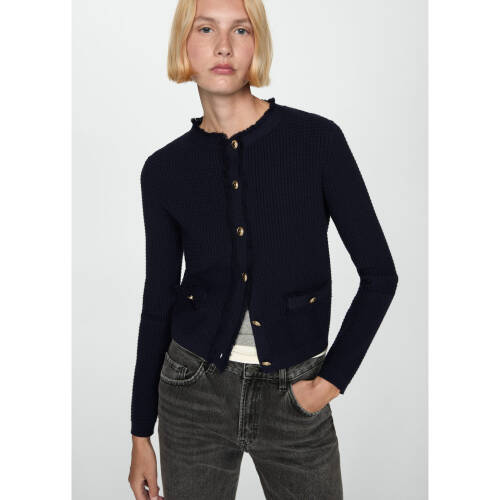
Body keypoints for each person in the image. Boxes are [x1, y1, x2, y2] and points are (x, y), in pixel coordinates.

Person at [128, 0, 398, 498]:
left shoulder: (316, 141)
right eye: (205, 29)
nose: (223, 46)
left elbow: (380, 276)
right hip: (192, 395)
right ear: (183, 44)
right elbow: (158, 302)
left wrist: (328, 383)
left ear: (258, 45)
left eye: (241, 30)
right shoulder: (164, 170)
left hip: (295, 395)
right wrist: (141, 432)